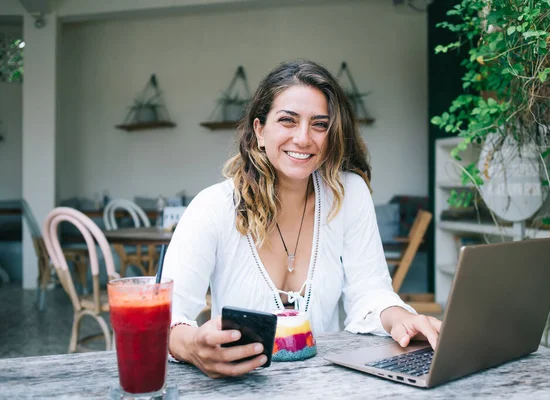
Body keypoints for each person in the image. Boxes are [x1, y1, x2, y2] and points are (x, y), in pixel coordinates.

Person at [163, 60, 441, 378]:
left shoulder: (349, 194)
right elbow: (168, 316)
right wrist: (192, 346)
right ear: (259, 131)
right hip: (240, 387)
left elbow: (370, 292)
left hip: (328, 387)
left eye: (319, 125)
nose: (304, 138)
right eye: (287, 121)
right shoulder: (212, 207)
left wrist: (401, 319)